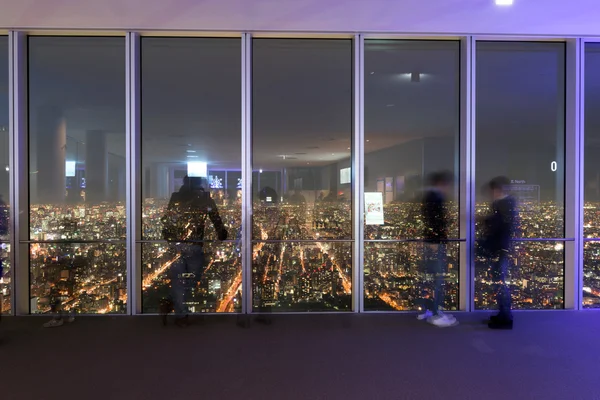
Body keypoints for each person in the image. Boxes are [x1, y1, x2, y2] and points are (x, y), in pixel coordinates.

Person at [161, 176, 227, 327]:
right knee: (192, 279)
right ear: (199, 184)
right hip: (194, 244)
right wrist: (221, 233)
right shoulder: (204, 198)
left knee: (179, 280)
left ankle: (174, 307)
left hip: (176, 244)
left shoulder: (176, 197)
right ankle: (178, 311)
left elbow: (169, 219)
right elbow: (215, 217)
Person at [418, 171, 457, 327]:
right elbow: (435, 221)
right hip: (435, 242)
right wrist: (436, 240)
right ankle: (435, 314)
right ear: (442, 183)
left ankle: (426, 311)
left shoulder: (429, 197)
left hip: (431, 241)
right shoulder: (435, 198)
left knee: (429, 276)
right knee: (438, 278)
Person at [481, 176, 517, 330]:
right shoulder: (502, 203)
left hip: (500, 248)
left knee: (500, 282)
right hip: (500, 247)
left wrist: (485, 220)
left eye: (493, 189)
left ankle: (505, 317)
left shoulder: (505, 204)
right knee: (498, 281)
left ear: (498, 189)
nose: (492, 193)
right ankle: (503, 314)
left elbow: (501, 225)